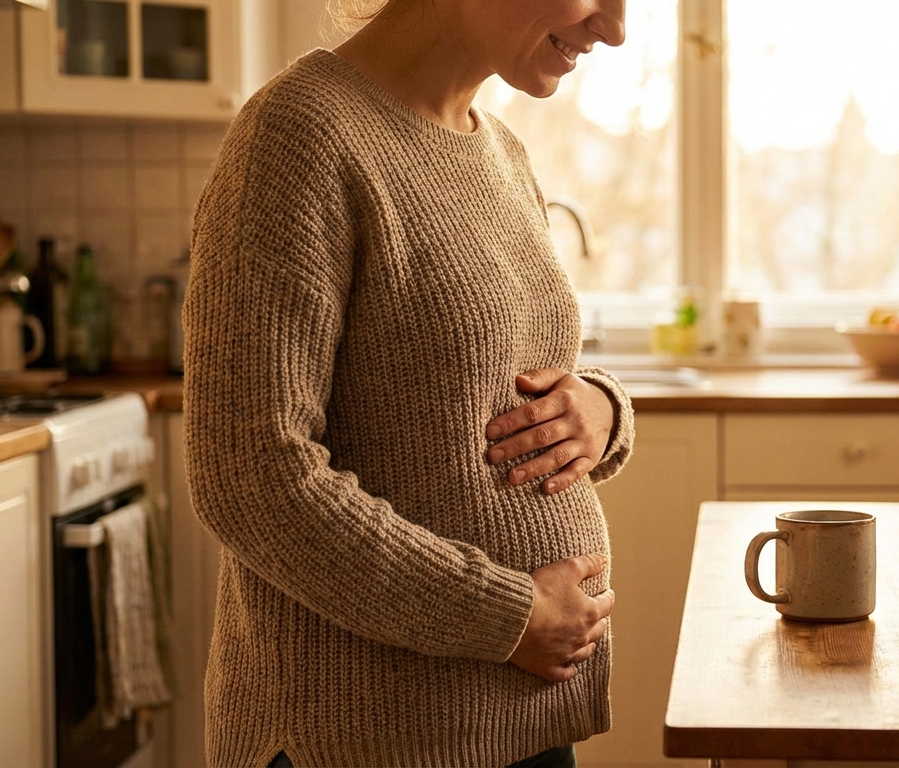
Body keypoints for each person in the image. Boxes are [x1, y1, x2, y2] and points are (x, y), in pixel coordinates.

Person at [182, 0, 631, 765]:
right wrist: (508, 617)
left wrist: (602, 408)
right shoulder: (298, 136)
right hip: (369, 737)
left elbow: (485, 372)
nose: (615, 28)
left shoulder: (500, 150)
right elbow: (251, 475)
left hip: (517, 722)